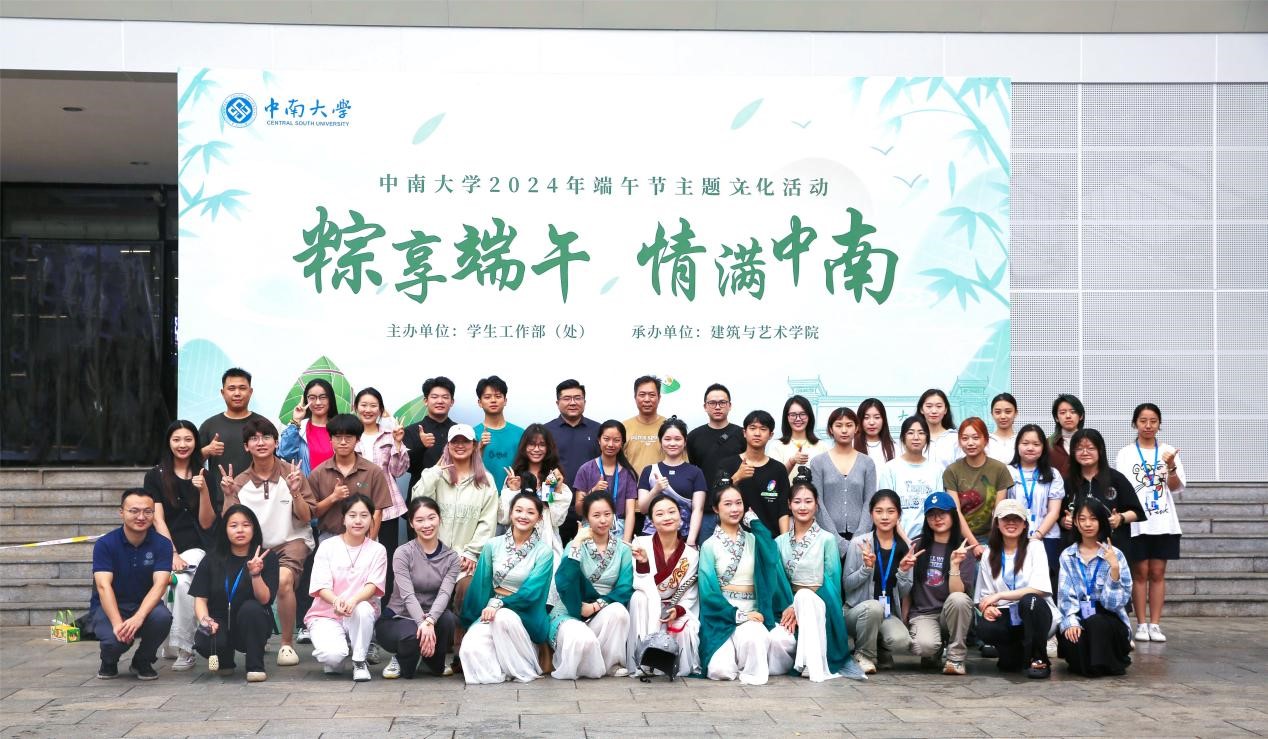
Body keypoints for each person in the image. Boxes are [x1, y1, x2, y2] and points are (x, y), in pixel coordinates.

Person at [219, 417, 317, 667]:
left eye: (266, 437)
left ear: (276, 442)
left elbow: (307, 517)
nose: (260, 442)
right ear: (246, 446)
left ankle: (286, 643)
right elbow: (229, 523)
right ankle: (258, 637)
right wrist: (229, 496)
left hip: (292, 539)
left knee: (283, 581)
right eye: (254, 439)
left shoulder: (292, 473)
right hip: (257, 547)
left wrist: (295, 491)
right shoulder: (239, 481)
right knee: (252, 585)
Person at [698, 481, 795, 685]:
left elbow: (771, 557)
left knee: (759, 637)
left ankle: (746, 658)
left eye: (738, 503)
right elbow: (708, 593)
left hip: (754, 612)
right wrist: (738, 615)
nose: (734, 509)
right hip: (722, 617)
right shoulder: (709, 545)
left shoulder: (753, 539)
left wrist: (756, 523)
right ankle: (735, 655)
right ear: (715, 508)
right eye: (727, 504)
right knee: (720, 670)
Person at [458, 491, 557, 684]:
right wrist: (470, 621)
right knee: (470, 648)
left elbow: (532, 593)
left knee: (503, 617)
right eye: (518, 510)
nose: (523, 516)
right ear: (511, 513)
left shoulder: (544, 552)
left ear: (539, 518)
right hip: (491, 608)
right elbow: (481, 586)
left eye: (530, 512)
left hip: (525, 612)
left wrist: (499, 605)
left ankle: (526, 659)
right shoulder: (492, 545)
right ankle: (501, 668)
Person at [773, 470, 859, 682]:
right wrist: (792, 606)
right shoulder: (780, 542)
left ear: (817, 505)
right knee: (776, 640)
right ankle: (805, 660)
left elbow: (832, 584)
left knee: (804, 597)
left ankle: (812, 664)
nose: (803, 507)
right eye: (797, 502)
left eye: (808, 501)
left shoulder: (827, 539)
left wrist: (800, 604)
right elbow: (779, 584)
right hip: (790, 607)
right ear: (789, 505)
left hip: (820, 605)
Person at [143, 420, 216, 671]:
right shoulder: (155, 475)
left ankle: (186, 648)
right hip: (164, 544)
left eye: (188, 439)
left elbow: (207, 522)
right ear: (168, 443)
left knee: (183, 583)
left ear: (196, 442)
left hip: (197, 545)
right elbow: (157, 519)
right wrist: (171, 553)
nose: (182, 445)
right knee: (167, 582)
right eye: (176, 439)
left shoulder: (205, 475)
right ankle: (169, 642)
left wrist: (204, 491)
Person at [411, 424, 498, 631]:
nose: (460, 446)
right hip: (432, 555)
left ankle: (462, 642)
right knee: (424, 597)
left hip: (466, 560)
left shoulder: (485, 480)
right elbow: (417, 504)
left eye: (465, 441)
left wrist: (472, 552)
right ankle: (430, 640)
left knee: (467, 589)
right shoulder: (434, 475)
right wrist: (433, 474)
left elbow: (488, 521)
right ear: (448, 446)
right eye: (455, 441)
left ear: (474, 445)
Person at [1115, 403, 1185, 643]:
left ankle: (1155, 624)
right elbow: (1122, 488)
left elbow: (1175, 487)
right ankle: (1141, 624)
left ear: (1159, 424)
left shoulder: (1168, 451)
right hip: (1137, 522)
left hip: (1163, 521)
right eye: (1143, 420)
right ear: (1135, 423)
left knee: (1157, 572)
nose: (1148, 425)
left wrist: (1171, 466)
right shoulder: (1126, 453)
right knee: (1140, 572)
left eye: (1153, 421)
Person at [89, 488, 173, 680]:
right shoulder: (105, 544)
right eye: (134, 511)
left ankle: (142, 660)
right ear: (122, 512)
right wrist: (118, 623)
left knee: (162, 617)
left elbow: (160, 584)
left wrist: (139, 617)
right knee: (116, 641)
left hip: (145, 606)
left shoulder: (162, 544)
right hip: (110, 607)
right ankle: (108, 660)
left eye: (148, 511)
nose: (141, 517)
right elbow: (103, 586)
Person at [549, 491, 635, 679]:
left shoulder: (622, 549)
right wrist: (577, 542)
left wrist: (595, 606)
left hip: (601, 612)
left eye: (607, 514)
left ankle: (611, 664)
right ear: (587, 518)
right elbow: (565, 582)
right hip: (570, 609)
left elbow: (624, 588)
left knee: (619, 612)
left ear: (614, 515)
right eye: (596, 515)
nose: (603, 520)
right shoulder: (575, 544)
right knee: (581, 639)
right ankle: (589, 662)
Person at [190, 504, 279, 682]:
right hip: (219, 621)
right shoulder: (211, 558)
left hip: (252, 622)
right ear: (225, 530)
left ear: (254, 528)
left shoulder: (266, 558)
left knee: (252, 609)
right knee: (204, 641)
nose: (240, 530)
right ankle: (225, 660)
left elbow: (264, 599)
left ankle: (255, 665)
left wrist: (255, 574)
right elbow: (200, 599)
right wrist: (205, 620)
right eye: (233, 525)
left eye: (246, 525)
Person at [305, 495, 389, 681]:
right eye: (352, 515)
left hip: (358, 610)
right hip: (326, 613)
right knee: (332, 659)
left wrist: (353, 601)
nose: (358, 521)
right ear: (343, 519)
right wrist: (336, 601)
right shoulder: (327, 546)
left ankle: (359, 660)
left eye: (364, 515)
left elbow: (373, 585)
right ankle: (338, 656)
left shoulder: (378, 550)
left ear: (371, 519)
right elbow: (321, 585)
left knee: (364, 608)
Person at [377, 496, 460, 679]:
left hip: (432, 619)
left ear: (439, 519)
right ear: (411, 524)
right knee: (412, 638)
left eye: (431, 518)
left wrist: (430, 621)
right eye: (420, 520)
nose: (426, 525)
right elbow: (407, 595)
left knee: (448, 620)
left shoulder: (452, 558)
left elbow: (445, 593)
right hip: (399, 618)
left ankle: (431, 660)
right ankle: (400, 658)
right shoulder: (403, 553)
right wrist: (423, 624)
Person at [974, 499, 1059, 679]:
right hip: (1007, 615)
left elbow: (1040, 588)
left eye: (1017, 519)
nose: (1011, 523)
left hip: (1036, 612)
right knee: (985, 628)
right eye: (1006, 519)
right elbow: (984, 597)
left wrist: (1000, 595)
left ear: (1025, 524)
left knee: (1030, 601)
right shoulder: (989, 553)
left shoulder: (1035, 546)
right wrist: (988, 609)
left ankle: (1039, 657)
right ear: (997, 523)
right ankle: (1014, 651)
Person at [1057, 498, 1133, 677]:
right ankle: (1099, 664)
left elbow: (1113, 604)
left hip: (1109, 619)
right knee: (1071, 637)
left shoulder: (1116, 555)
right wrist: (1071, 623)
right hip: (1080, 616)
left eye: (1093, 518)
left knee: (1096, 622)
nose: (1087, 524)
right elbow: (1065, 597)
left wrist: (1114, 569)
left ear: (1101, 521)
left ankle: (1099, 664)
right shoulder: (1068, 555)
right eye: (1082, 519)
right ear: (1075, 522)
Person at [629, 493, 701, 678]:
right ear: (651, 520)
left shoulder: (691, 555)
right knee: (639, 598)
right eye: (660, 514)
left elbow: (689, 593)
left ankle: (669, 664)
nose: (667, 517)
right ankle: (642, 659)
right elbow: (638, 582)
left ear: (680, 515)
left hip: (672, 607)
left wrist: (677, 609)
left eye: (671, 512)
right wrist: (643, 562)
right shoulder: (641, 543)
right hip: (647, 606)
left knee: (686, 627)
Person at [842, 490, 914, 674]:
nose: (885, 517)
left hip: (887, 614)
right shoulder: (859, 543)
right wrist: (866, 569)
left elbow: (904, 592)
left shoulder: (904, 547)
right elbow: (847, 585)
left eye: (891, 511)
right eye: (879, 511)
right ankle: (863, 655)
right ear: (871, 514)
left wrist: (903, 572)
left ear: (899, 514)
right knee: (874, 607)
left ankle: (880, 648)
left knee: (901, 641)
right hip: (856, 612)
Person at [908, 492, 976, 676]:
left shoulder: (963, 549)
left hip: (951, 614)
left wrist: (954, 564)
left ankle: (956, 658)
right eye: (931, 515)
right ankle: (934, 651)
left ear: (953, 515)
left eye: (942, 513)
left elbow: (958, 593)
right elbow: (907, 588)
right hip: (924, 614)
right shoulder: (917, 545)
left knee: (959, 599)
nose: (937, 519)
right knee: (924, 647)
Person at [352, 387, 409, 603]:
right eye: (363, 405)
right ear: (356, 408)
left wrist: (398, 443)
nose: (368, 410)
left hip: (387, 506)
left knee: (386, 556)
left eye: (373, 405)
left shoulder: (389, 435)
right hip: (356, 505)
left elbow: (398, 471)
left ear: (381, 409)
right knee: (356, 556)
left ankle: (385, 607)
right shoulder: (350, 436)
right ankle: (357, 603)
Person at [308, 414, 395, 542]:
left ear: (358, 439)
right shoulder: (318, 473)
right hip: (329, 538)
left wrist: (368, 543)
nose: (343, 442)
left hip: (365, 537)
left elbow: (377, 512)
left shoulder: (373, 471)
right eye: (338, 437)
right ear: (330, 439)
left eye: (348, 437)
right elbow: (311, 513)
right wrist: (333, 497)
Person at [1059, 429, 1144, 557]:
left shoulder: (1116, 479)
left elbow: (1137, 512)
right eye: (1079, 449)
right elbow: (1058, 516)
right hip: (1076, 552)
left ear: (1100, 450)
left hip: (1113, 548)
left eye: (1090, 448)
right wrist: (1064, 521)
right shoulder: (1066, 482)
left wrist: (1120, 518)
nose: (1085, 452)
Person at [808, 407, 878, 558]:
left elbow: (870, 502)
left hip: (861, 540)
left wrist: (859, 538)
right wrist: (837, 540)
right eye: (839, 425)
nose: (844, 430)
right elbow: (817, 502)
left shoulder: (867, 463)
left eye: (849, 425)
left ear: (856, 428)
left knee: (861, 573)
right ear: (831, 429)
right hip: (826, 537)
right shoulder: (818, 462)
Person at [942, 417, 1015, 554]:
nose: (970, 443)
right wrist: (974, 545)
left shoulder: (999, 469)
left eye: (976, 438)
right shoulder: (952, 471)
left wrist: (993, 543)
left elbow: (998, 511)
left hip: (992, 537)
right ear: (959, 442)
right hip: (959, 539)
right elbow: (955, 511)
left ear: (985, 439)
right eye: (965, 438)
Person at [1007, 424, 1065, 593]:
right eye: (1025, 443)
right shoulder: (1007, 472)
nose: (1030, 448)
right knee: (1017, 580)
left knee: (1046, 584)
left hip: (1047, 537)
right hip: (1014, 536)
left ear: (1043, 447)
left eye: (1036, 444)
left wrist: (1037, 535)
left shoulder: (1053, 474)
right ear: (1017, 445)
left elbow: (1054, 512)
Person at [544, 379, 601, 543]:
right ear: (557, 403)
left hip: (590, 507)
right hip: (556, 506)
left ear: (584, 401)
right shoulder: (546, 431)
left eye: (577, 398)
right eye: (567, 398)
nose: (573, 402)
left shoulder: (598, 430)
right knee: (556, 554)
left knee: (589, 554)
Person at [198, 367, 266, 505]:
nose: (237, 393)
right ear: (223, 393)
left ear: (250, 392)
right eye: (231, 388)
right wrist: (207, 450)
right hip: (219, 500)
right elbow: (191, 462)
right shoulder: (209, 425)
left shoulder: (263, 424)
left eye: (242, 388)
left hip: (257, 500)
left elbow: (274, 463)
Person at [501, 425, 573, 553]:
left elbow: (557, 521)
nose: (536, 449)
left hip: (547, 545)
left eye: (542, 445)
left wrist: (557, 490)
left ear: (548, 448)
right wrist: (513, 491)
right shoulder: (515, 477)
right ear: (524, 446)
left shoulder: (552, 478)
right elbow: (504, 518)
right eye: (532, 444)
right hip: (516, 545)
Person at [636, 417, 707, 548]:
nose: (672, 443)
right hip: (652, 537)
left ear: (685, 442)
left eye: (677, 439)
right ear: (660, 441)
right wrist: (655, 490)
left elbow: (698, 509)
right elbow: (643, 509)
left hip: (683, 537)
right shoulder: (649, 471)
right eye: (667, 439)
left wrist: (691, 541)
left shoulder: (695, 472)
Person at [719, 410, 791, 535]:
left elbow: (783, 510)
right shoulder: (727, 465)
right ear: (744, 432)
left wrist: (784, 540)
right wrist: (736, 478)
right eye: (752, 428)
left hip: (770, 538)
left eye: (763, 429)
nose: (757, 433)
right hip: (736, 538)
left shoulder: (778, 469)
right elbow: (717, 499)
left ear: (771, 435)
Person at [878, 416, 944, 541]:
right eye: (910, 433)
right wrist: (906, 541)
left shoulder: (936, 469)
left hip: (929, 540)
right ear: (903, 437)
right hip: (896, 539)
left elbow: (938, 509)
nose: (916, 437)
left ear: (927, 438)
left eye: (921, 433)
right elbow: (886, 509)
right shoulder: (890, 468)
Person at [572, 420, 640, 541]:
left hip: (619, 531)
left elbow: (630, 512)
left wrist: (625, 542)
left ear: (622, 443)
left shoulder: (628, 474)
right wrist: (593, 491)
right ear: (599, 440)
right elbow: (579, 510)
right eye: (606, 439)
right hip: (590, 530)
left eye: (616, 440)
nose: (610, 444)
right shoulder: (586, 469)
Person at [403, 377, 458, 491]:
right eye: (434, 397)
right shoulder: (411, 431)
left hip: (453, 493)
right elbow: (405, 468)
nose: (440, 401)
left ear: (452, 402)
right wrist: (421, 445)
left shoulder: (459, 431)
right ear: (425, 401)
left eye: (445, 397)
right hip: (421, 494)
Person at [473, 375, 524, 491]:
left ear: (505, 401)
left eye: (498, 396)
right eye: (487, 397)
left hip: (514, 495)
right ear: (479, 402)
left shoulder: (520, 433)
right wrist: (480, 448)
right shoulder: (472, 434)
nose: (493, 400)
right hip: (481, 495)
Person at [279, 378, 339, 475]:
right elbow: (285, 454)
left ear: (330, 399)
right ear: (306, 400)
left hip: (336, 483)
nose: (318, 402)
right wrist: (296, 421)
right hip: (305, 483)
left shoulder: (340, 428)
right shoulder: (297, 428)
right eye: (312, 397)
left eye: (323, 397)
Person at [768, 395, 832, 480]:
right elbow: (773, 479)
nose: (798, 419)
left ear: (809, 416)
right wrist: (792, 461)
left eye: (802, 414)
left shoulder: (823, 446)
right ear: (787, 417)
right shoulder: (776, 446)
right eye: (793, 415)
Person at [623, 375, 667, 475]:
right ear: (635, 398)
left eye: (652, 395)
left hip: (665, 484)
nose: (647, 399)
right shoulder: (624, 427)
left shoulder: (669, 427)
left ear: (659, 398)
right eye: (642, 395)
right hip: (632, 484)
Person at [917, 388, 959, 467]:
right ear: (921, 409)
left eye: (939, 406)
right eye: (929, 406)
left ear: (945, 410)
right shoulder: (914, 438)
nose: (934, 411)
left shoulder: (955, 438)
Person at [1048, 394, 1086, 478]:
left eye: (1073, 412)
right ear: (1056, 418)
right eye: (1062, 412)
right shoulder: (1047, 444)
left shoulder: (1090, 442)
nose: (1068, 416)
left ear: (1081, 416)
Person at [854, 398, 896, 465]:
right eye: (866, 418)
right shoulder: (851, 445)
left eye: (877, 417)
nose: (872, 422)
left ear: (883, 420)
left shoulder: (895, 448)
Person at [987, 393, 1019, 464]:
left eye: (1008, 412)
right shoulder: (985, 441)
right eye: (998, 412)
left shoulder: (1021, 440)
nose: (1003, 416)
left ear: (1016, 413)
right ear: (992, 414)